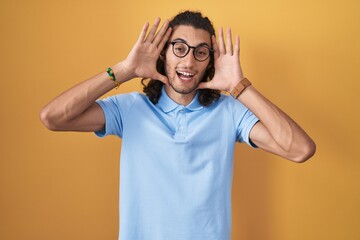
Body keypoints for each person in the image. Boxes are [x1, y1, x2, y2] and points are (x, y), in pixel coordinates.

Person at [40, 10, 315, 240]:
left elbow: (300, 149)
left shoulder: (229, 113)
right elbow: (53, 117)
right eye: (179, 48)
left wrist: (239, 87)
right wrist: (124, 70)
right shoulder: (130, 109)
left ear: (210, 62)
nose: (188, 61)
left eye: (201, 52)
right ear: (163, 54)